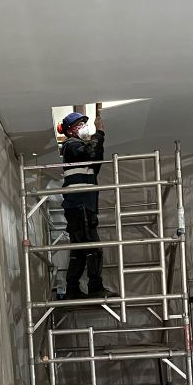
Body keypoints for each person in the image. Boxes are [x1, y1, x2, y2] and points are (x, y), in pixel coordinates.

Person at [59, 110, 110, 299]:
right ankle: (95, 287)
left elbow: (96, 160)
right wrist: (99, 133)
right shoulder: (71, 146)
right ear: (71, 130)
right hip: (80, 204)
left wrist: (99, 138)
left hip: (79, 205)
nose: (84, 128)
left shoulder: (77, 150)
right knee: (93, 248)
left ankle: (72, 289)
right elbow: (91, 152)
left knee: (80, 249)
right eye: (80, 125)